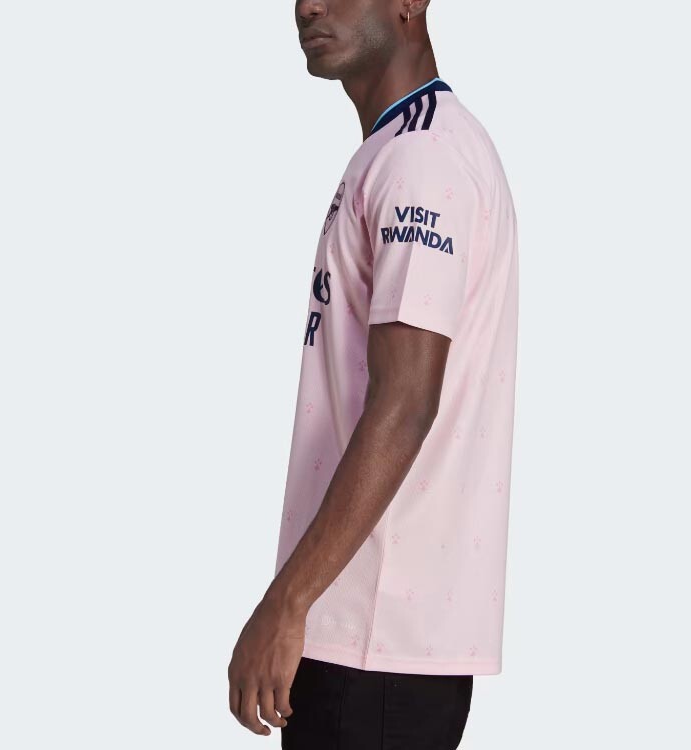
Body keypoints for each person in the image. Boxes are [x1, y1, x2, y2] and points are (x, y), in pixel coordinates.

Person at [228, 1, 519, 747]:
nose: (307, 5)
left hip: (372, 643)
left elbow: (406, 401)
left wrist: (287, 602)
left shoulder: (422, 160)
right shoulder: (402, 149)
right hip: (373, 639)